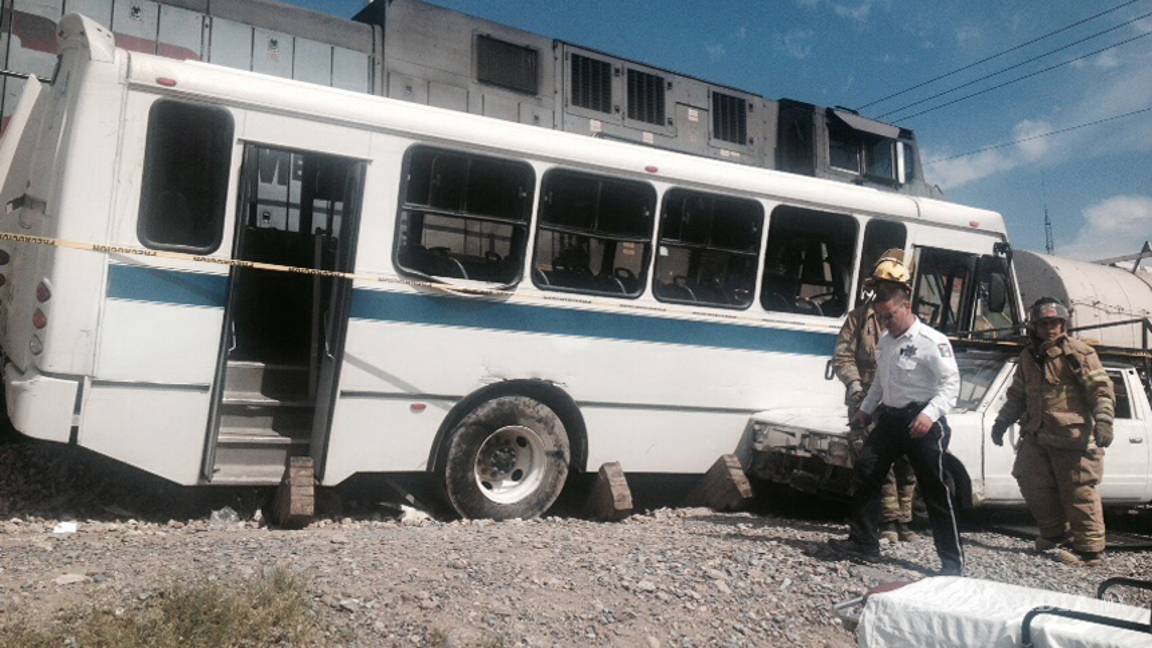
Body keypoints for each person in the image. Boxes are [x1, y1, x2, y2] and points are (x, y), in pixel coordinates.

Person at [829, 281, 964, 575]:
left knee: (934, 489)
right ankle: (864, 542)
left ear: (906, 307)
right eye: (880, 317)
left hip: (923, 422)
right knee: (865, 471)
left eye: (890, 315)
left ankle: (952, 563)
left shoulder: (932, 341)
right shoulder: (888, 341)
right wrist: (865, 411)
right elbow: (880, 381)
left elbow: (951, 385)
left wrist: (929, 415)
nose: (885, 322)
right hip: (891, 419)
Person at [990, 298, 1115, 566]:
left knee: (1079, 492)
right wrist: (1002, 422)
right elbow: (1016, 395)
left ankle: (1090, 550)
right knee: (1029, 480)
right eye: (1044, 324)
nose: (1051, 329)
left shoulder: (1078, 354)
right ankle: (1055, 536)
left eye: (1056, 323)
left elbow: (1101, 390)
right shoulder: (1028, 357)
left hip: (1072, 440)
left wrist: (1104, 420)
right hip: (1036, 436)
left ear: (1064, 324)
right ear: (1034, 326)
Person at [833, 250, 918, 543]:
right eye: (880, 286)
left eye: (891, 288)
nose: (884, 292)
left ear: (904, 292)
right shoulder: (858, 319)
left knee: (906, 462)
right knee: (873, 462)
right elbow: (843, 356)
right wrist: (855, 386)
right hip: (865, 400)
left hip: (901, 400)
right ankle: (887, 522)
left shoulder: (914, 322)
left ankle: (904, 522)